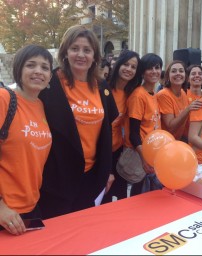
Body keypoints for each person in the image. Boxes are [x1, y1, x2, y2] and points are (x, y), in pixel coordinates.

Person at [38, 25, 118, 219]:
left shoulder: (101, 86)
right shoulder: (50, 83)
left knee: (83, 231)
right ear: (65, 52)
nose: (80, 55)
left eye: (87, 50)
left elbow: (108, 133)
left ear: (94, 56)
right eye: (75, 49)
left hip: (91, 176)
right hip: (57, 178)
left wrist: (108, 170)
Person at [0, 45, 53, 235]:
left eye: (45, 67)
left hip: (31, 206)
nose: (38, 71)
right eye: (31, 65)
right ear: (18, 70)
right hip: (6, 212)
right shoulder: (4, 99)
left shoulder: (40, 105)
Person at [101, 50, 141, 203]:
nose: (129, 69)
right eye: (126, 64)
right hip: (99, 151)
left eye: (133, 67)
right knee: (101, 195)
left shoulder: (131, 94)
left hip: (117, 151)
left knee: (120, 195)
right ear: (118, 65)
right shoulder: (104, 88)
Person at [123, 53, 163, 196]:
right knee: (139, 196)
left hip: (151, 155)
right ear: (142, 72)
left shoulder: (152, 94)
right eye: (149, 68)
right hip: (141, 156)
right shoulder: (138, 95)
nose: (154, 71)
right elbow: (134, 133)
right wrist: (144, 158)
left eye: (157, 67)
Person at [157, 60, 202, 142]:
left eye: (181, 71)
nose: (178, 73)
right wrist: (188, 109)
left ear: (185, 76)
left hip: (178, 141)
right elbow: (170, 126)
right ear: (168, 76)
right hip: (165, 143)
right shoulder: (164, 95)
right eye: (174, 71)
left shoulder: (183, 92)